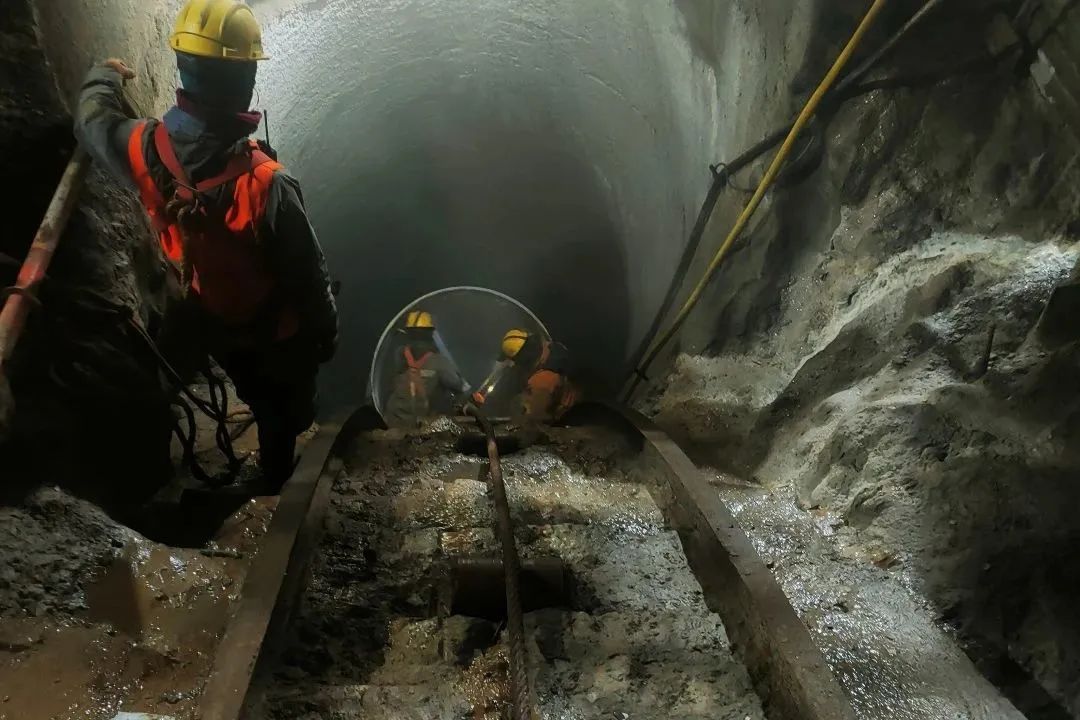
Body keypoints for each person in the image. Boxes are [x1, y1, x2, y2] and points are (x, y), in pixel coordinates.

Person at [74, 0, 338, 491]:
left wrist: (102, 77)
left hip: (209, 322)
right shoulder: (268, 185)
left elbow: (92, 122)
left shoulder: (146, 149)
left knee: (242, 386)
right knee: (285, 413)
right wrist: (325, 334)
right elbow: (309, 276)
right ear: (244, 80)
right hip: (272, 336)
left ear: (183, 69)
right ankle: (275, 478)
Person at [383, 311, 471, 428]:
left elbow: (387, 384)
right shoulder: (439, 361)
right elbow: (461, 388)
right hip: (424, 427)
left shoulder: (398, 355)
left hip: (394, 423)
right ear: (430, 334)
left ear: (408, 333)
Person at [473, 329, 577, 421]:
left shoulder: (539, 382)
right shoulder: (552, 351)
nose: (513, 365)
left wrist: (485, 409)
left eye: (515, 361)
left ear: (523, 359)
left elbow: (529, 419)